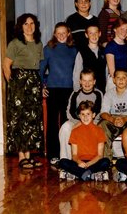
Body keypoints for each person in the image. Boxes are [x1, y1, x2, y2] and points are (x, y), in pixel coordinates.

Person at [3, 13, 44, 169]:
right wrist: (12, 85)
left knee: (32, 119)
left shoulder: (38, 44)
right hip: (19, 83)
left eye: (32, 23)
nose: (29, 26)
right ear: (21, 27)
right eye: (25, 24)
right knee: (20, 119)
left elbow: (38, 67)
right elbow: (6, 65)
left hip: (34, 82)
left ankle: (29, 155)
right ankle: (21, 156)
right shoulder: (15, 43)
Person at [40, 22, 78, 164]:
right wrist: (42, 86)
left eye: (64, 32)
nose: (61, 35)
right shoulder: (48, 49)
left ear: (68, 33)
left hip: (69, 90)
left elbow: (76, 71)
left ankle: (65, 154)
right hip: (53, 89)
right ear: (55, 34)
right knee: (52, 123)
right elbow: (41, 70)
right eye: (58, 33)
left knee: (66, 122)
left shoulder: (73, 49)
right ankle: (52, 154)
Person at [59, 100, 111, 181]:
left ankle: (79, 174)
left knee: (106, 162)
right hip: (79, 163)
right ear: (79, 116)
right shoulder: (75, 131)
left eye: (88, 114)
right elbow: (74, 155)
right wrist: (79, 162)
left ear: (93, 115)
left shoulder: (99, 131)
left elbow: (100, 155)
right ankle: (90, 174)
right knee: (62, 162)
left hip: (93, 162)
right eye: (82, 114)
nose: (85, 117)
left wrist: (88, 164)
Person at [59, 68, 103, 160]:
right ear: (80, 81)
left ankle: (93, 159)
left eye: (90, 81)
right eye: (84, 80)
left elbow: (99, 112)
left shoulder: (98, 94)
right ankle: (66, 159)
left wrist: (85, 123)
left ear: (94, 81)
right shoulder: (75, 93)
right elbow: (69, 112)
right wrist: (78, 123)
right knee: (65, 127)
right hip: (76, 121)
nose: (87, 84)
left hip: (93, 121)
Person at [98, 69, 127, 159]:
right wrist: (112, 119)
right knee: (102, 125)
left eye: (124, 78)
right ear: (113, 80)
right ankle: (106, 160)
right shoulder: (109, 94)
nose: (121, 80)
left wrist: (124, 119)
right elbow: (103, 113)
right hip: (113, 119)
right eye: (118, 78)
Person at [72, 23, 107, 93]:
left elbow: (106, 72)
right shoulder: (82, 52)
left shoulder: (104, 51)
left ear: (100, 34)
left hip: (101, 89)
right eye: (91, 33)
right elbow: (76, 74)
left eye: (96, 33)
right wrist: (77, 92)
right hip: (86, 90)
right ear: (86, 35)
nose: (94, 35)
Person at [105, 18, 127, 91]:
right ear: (115, 29)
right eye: (122, 29)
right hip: (115, 82)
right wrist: (120, 83)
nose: (124, 32)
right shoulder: (110, 46)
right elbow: (112, 71)